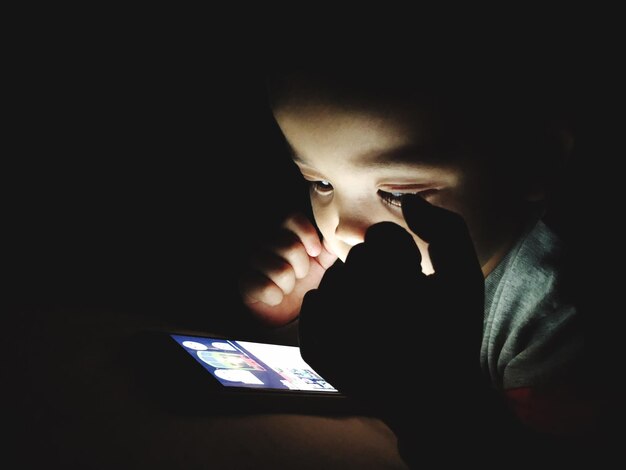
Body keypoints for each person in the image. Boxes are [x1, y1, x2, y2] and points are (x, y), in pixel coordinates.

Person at [238, 67, 605, 465]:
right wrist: (295, 317)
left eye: (396, 194)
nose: (342, 228)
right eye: (321, 183)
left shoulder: (555, 323)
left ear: (532, 160)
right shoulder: (381, 273)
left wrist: (425, 404)